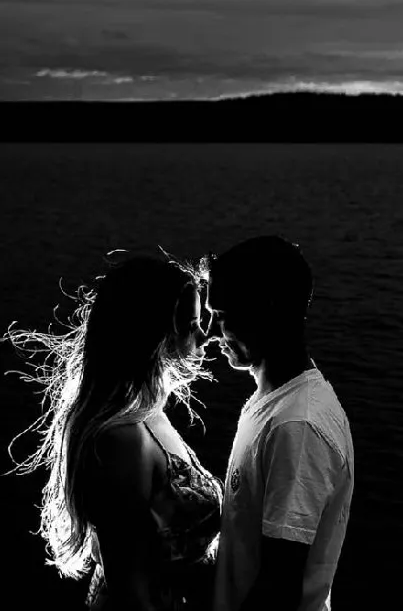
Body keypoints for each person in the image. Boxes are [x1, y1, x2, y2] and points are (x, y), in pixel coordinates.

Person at [3, 249, 224, 611]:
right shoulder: (122, 440)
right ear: (156, 335)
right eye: (191, 324)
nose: (204, 335)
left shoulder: (148, 415)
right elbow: (128, 587)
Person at [206, 235, 354, 611]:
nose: (210, 331)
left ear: (266, 309)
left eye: (221, 315)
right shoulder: (272, 404)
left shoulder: (298, 427)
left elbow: (279, 587)